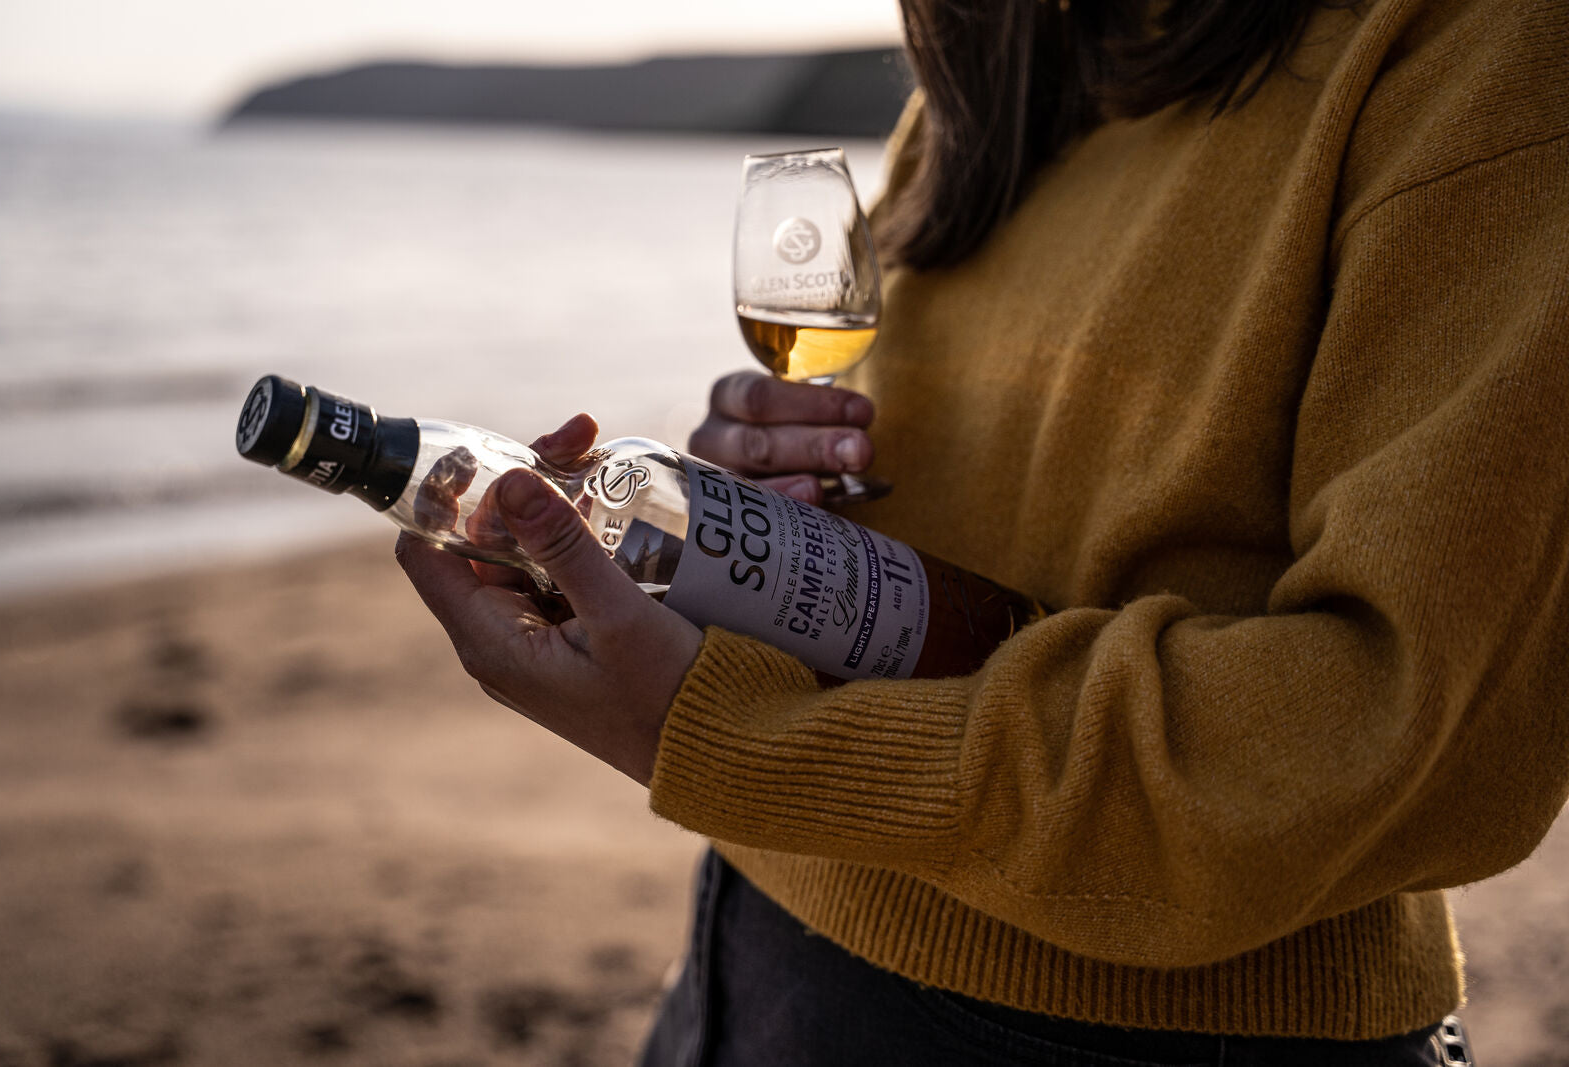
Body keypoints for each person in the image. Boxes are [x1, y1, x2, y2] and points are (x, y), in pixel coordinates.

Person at [396, 0, 1568, 1061]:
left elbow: (1394, 732)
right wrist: (750, 503)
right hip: (754, 932)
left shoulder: (1479, 50)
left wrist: (721, 736)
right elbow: (947, 489)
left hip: (1135, 1032)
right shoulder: (1008, 66)